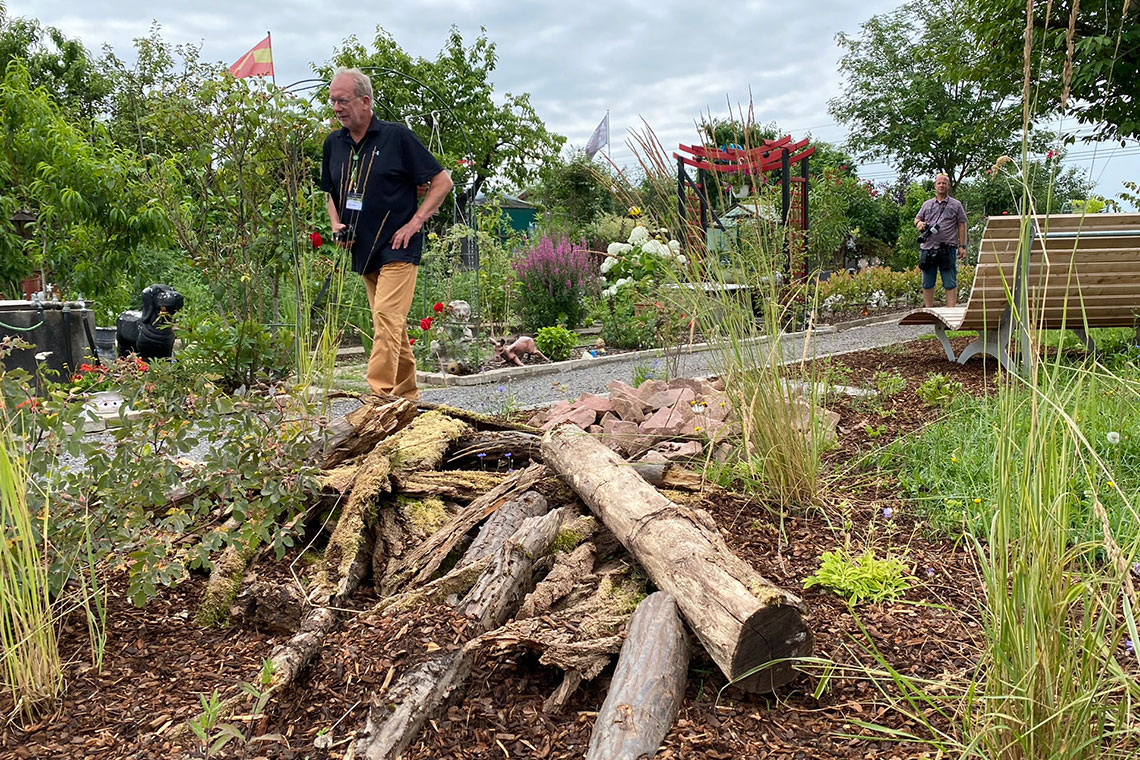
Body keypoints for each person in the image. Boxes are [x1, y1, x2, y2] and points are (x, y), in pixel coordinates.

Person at [321, 67, 453, 399]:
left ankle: (378, 397)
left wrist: (415, 222)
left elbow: (442, 181)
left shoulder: (396, 137)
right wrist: (336, 224)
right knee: (390, 325)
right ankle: (407, 397)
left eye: (343, 100)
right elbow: (330, 194)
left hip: (398, 246)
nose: (336, 107)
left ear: (365, 101)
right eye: (333, 100)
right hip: (362, 249)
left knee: (385, 318)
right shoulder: (333, 144)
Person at [914, 173, 967, 308]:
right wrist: (919, 224)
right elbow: (917, 218)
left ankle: (951, 311)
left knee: (950, 281)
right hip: (928, 248)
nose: (941, 185)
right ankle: (929, 311)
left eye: (944, 183)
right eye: (939, 183)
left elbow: (962, 224)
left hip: (947, 248)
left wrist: (962, 246)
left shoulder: (956, 205)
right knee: (927, 282)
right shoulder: (927, 204)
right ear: (935, 186)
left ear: (948, 185)